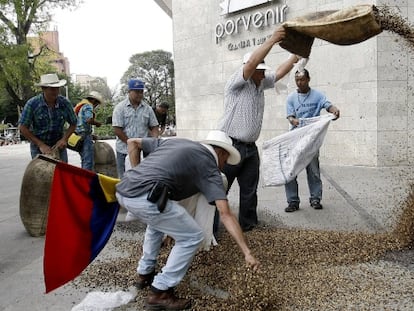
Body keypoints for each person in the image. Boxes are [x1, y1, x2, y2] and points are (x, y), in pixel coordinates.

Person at [115, 130, 260, 310]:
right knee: (192, 236)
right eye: (225, 161)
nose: (223, 167)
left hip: (124, 191)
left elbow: (132, 143)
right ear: (221, 152)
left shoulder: (176, 142)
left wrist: (138, 175)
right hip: (147, 199)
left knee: (156, 225)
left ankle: (144, 274)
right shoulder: (209, 167)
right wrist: (247, 252)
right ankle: (160, 291)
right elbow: (226, 214)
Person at [217, 26, 299, 231]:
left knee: (249, 189)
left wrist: (295, 57)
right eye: (261, 70)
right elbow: (253, 62)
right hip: (229, 146)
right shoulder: (236, 83)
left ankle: (249, 225)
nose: (264, 73)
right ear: (251, 69)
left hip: (250, 148)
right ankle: (210, 226)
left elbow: (279, 73)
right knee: (220, 187)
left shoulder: (260, 83)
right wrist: (272, 40)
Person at [284, 68, 340, 212]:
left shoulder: (317, 95)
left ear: (308, 79)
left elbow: (327, 105)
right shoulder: (291, 98)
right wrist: (293, 120)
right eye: (297, 79)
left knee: (313, 171)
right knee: (290, 170)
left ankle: (315, 199)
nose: (299, 82)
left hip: (312, 140)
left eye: (302, 79)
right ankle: (293, 201)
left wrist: (334, 110)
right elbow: (290, 116)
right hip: (295, 140)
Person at [18, 73, 77, 162]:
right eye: (52, 89)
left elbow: (74, 122)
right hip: (38, 145)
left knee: (61, 173)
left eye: (57, 88)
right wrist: (40, 145)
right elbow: (22, 127)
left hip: (58, 145)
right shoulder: (32, 104)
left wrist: (64, 139)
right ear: (43, 89)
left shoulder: (65, 103)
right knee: (40, 173)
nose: (56, 91)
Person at [112, 78, 159, 178]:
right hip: (123, 148)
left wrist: (154, 140)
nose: (139, 94)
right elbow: (117, 130)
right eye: (136, 92)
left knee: (146, 173)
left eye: (141, 92)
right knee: (123, 177)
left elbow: (154, 126)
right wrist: (132, 144)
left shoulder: (147, 108)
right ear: (129, 92)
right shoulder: (120, 108)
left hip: (144, 145)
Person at [73, 91, 104, 170]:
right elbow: (89, 120)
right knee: (88, 160)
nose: (96, 106)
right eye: (96, 104)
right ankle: (85, 179)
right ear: (93, 100)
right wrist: (97, 123)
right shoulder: (88, 106)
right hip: (85, 136)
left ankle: (82, 177)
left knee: (84, 158)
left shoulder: (81, 106)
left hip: (78, 135)